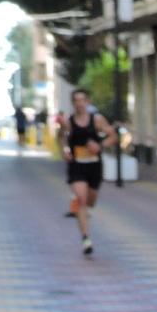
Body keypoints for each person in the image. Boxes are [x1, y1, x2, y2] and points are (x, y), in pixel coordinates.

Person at [59, 87, 113, 257]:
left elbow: (112, 136)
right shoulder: (68, 121)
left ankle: (80, 207)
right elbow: (61, 137)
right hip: (77, 165)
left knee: (90, 201)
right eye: (76, 100)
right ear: (73, 103)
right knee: (81, 200)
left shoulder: (97, 120)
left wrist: (100, 145)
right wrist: (64, 150)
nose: (79, 103)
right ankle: (86, 239)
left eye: (83, 100)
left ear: (88, 102)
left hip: (94, 165)